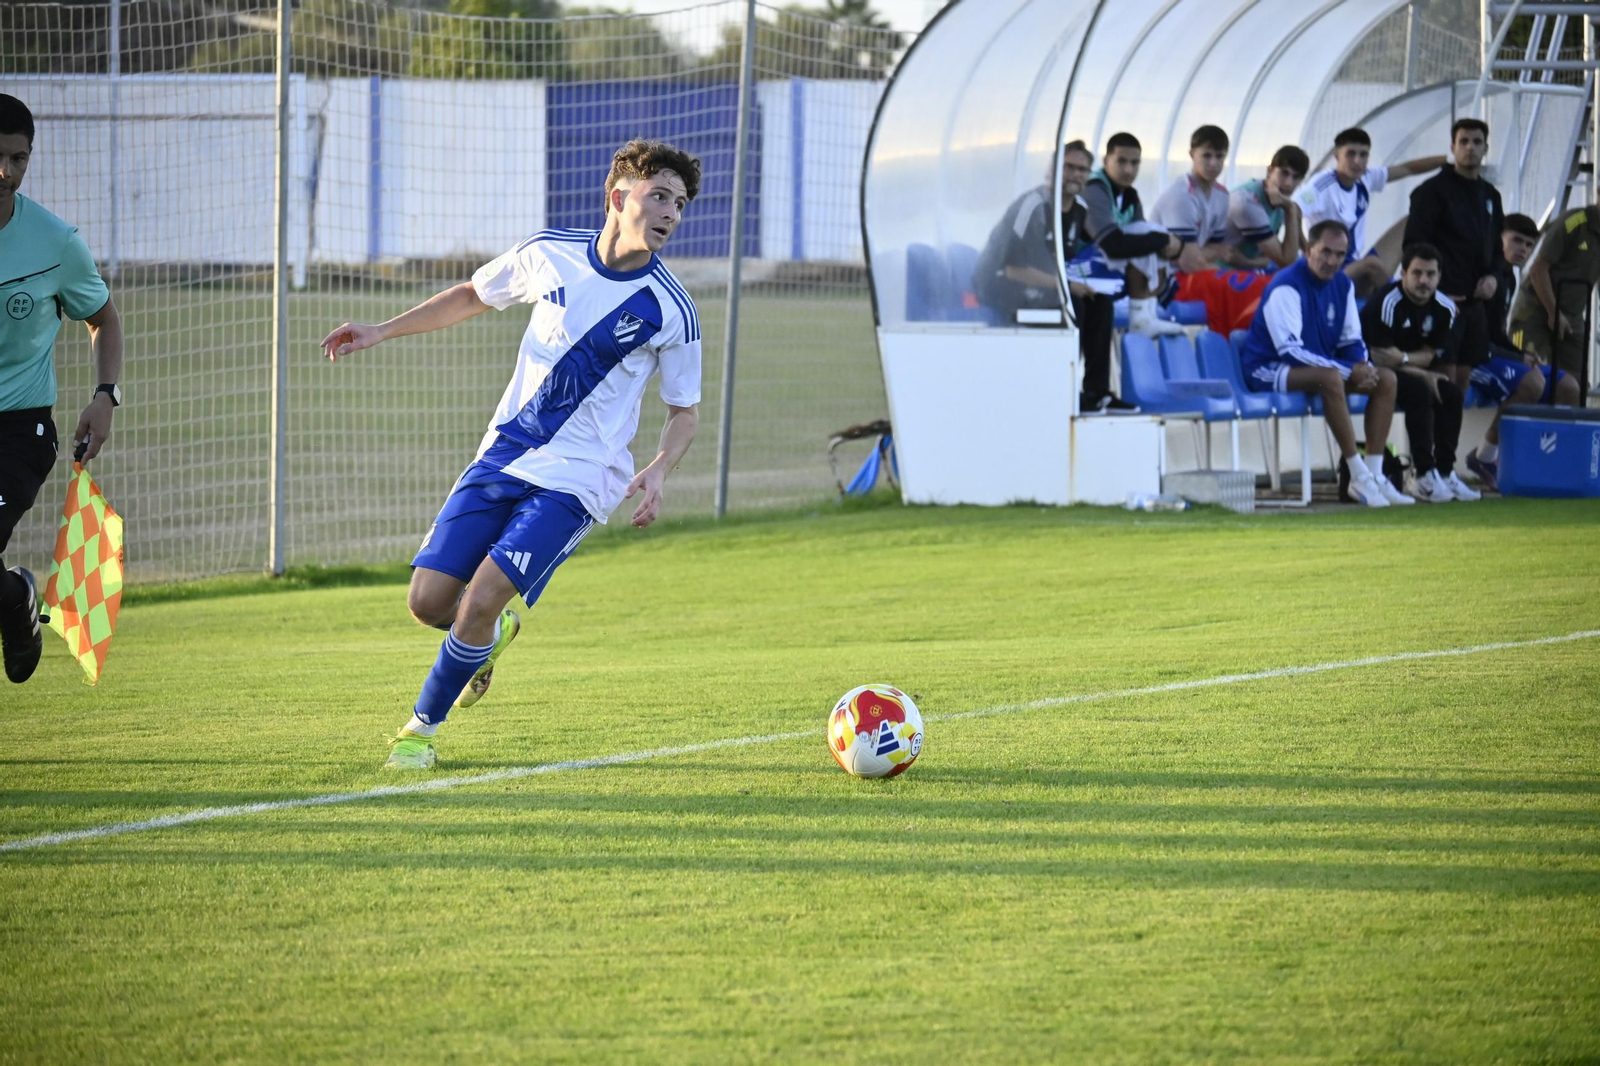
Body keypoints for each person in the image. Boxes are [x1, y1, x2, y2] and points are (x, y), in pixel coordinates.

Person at [320, 139, 703, 769]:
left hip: (579, 480)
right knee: (428, 604)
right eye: (659, 195)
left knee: (481, 597)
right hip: (503, 455)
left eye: (680, 204)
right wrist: (381, 329)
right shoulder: (550, 252)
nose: (671, 213)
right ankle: (488, 638)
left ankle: (418, 734)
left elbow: (684, 410)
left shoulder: (672, 309)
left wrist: (661, 468)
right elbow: (473, 294)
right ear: (618, 198)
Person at [0, 94, 124, 685]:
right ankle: (14, 597)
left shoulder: (55, 242)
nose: (6, 172)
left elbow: (104, 319)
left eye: (18, 159)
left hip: (19, 433)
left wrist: (105, 395)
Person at [1239, 220, 1410, 507]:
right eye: (1325, 252)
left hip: (1316, 369)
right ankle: (1357, 475)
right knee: (1329, 379)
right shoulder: (1285, 285)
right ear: (1309, 250)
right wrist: (1349, 370)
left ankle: (1376, 475)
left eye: (1340, 255)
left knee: (1386, 379)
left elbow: (1351, 339)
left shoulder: (1343, 285)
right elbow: (1290, 351)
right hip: (1268, 369)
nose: (1332, 261)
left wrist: (1362, 366)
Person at [972, 140, 1136, 412]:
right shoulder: (1033, 206)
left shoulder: (1079, 209)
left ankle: (1097, 393)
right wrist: (1068, 286)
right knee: (1073, 303)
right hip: (1000, 285)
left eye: (1082, 170)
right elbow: (1013, 269)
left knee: (1100, 303)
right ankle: (1063, 388)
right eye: (1068, 167)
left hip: (1043, 286)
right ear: (1052, 169)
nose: (1075, 175)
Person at [1464, 213, 1581, 491]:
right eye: (1517, 241)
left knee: (1568, 386)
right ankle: (1484, 457)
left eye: (1529, 245)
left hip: (1494, 353)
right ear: (1498, 239)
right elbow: (1476, 338)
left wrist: (1521, 355)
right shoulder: (1481, 275)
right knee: (1533, 382)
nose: (1523, 250)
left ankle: (1549, 463)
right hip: (1472, 358)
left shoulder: (1509, 278)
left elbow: (1497, 334)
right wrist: (1517, 358)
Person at [1359, 245, 1479, 503]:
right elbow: (1380, 358)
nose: (1424, 280)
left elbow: (1429, 354)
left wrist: (1405, 359)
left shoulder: (1445, 308)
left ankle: (1445, 472)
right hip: (1373, 371)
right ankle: (1422, 474)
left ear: (1439, 276)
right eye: (1417, 273)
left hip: (1407, 368)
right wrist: (1422, 373)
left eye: (1430, 274)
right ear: (1403, 274)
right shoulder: (1387, 302)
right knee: (1419, 390)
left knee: (1451, 393)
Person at [1402, 119, 1506, 391]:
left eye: (1477, 142)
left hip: (1475, 306)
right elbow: (1413, 246)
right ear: (1452, 147)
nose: (1470, 148)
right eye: (1464, 142)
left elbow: (1497, 248)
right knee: (1443, 380)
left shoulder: (1491, 195)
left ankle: (1452, 424)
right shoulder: (1431, 192)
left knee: (1462, 381)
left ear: (1486, 148)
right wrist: (1434, 292)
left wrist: (1493, 277)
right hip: (1443, 301)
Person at [1081, 131, 1211, 336]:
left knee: (1149, 236)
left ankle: (1147, 314)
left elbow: (1142, 242)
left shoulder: (1130, 195)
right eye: (1121, 161)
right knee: (1149, 234)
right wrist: (1164, 240)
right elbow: (1112, 246)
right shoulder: (1094, 189)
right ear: (1106, 161)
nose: (1128, 169)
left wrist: (1172, 244)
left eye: (1134, 163)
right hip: (1078, 267)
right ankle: (1140, 318)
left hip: (1105, 266)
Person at [1149, 125, 1274, 335]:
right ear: (1192, 155)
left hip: (1192, 271)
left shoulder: (1222, 195)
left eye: (1219, 156)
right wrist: (1207, 259)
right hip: (1166, 280)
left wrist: (1199, 255)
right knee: (1249, 287)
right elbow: (1191, 263)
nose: (1213, 163)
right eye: (1206, 156)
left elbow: (1215, 250)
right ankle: (1246, 340)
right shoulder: (1182, 196)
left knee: (1264, 284)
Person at [1296, 128, 1447, 297]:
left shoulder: (1365, 177)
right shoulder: (1321, 186)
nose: (1357, 161)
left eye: (1363, 155)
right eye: (1351, 154)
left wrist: (1450, 159)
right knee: (1371, 265)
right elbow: (1292, 209)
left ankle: (1427, 276)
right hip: (1327, 269)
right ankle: (1405, 299)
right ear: (1337, 155)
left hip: (1353, 265)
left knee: (1412, 221)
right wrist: (1307, 251)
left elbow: (1407, 168)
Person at [1508, 202, 1600, 400]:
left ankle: (1565, 421)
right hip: (1535, 310)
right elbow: (1538, 270)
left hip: (1573, 315)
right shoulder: (1572, 223)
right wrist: (1553, 312)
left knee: (1577, 385)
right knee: (1529, 376)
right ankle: (1513, 420)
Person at [1226, 145, 1310, 271]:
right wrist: (1290, 209)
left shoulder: (1282, 201)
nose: (1288, 183)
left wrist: (1249, 262)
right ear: (1270, 171)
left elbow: (1306, 252)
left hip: (1246, 268)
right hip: (1219, 271)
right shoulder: (1247, 202)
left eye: (1296, 177)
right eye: (1284, 173)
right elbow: (1287, 261)